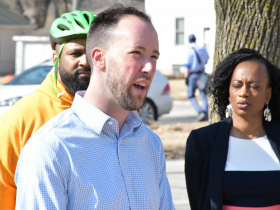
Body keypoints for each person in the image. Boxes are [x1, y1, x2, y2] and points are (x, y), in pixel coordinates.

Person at [15, 5, 175, 209]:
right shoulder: (49, 149)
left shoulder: (150, 144)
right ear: (99, 58)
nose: (150, 67)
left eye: (154, 56)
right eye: (136, 53)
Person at [0, 10, 95, 209]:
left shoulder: (117, 115)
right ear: (56, 58)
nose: (85, 61)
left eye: (92, 53)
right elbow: (4, 191)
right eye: (75, 53)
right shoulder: (21, 119)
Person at [185, 48, 280, 210]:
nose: (244, 93)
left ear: (268, 95)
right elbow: (198, 202)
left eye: (254, 86)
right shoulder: (202, 142)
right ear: (228, 91)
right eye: (237, 85)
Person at [184, 34, 209, 121]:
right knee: (203, 94)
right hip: (202, 74)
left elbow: (187, 66)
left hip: (193, 75)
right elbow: (206, 60)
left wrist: (186, 78)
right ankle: (205, 113)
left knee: (191, 95)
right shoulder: (202, 48)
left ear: (189, 40)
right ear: (195, 39)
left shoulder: (189, 50)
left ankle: (200, 111)